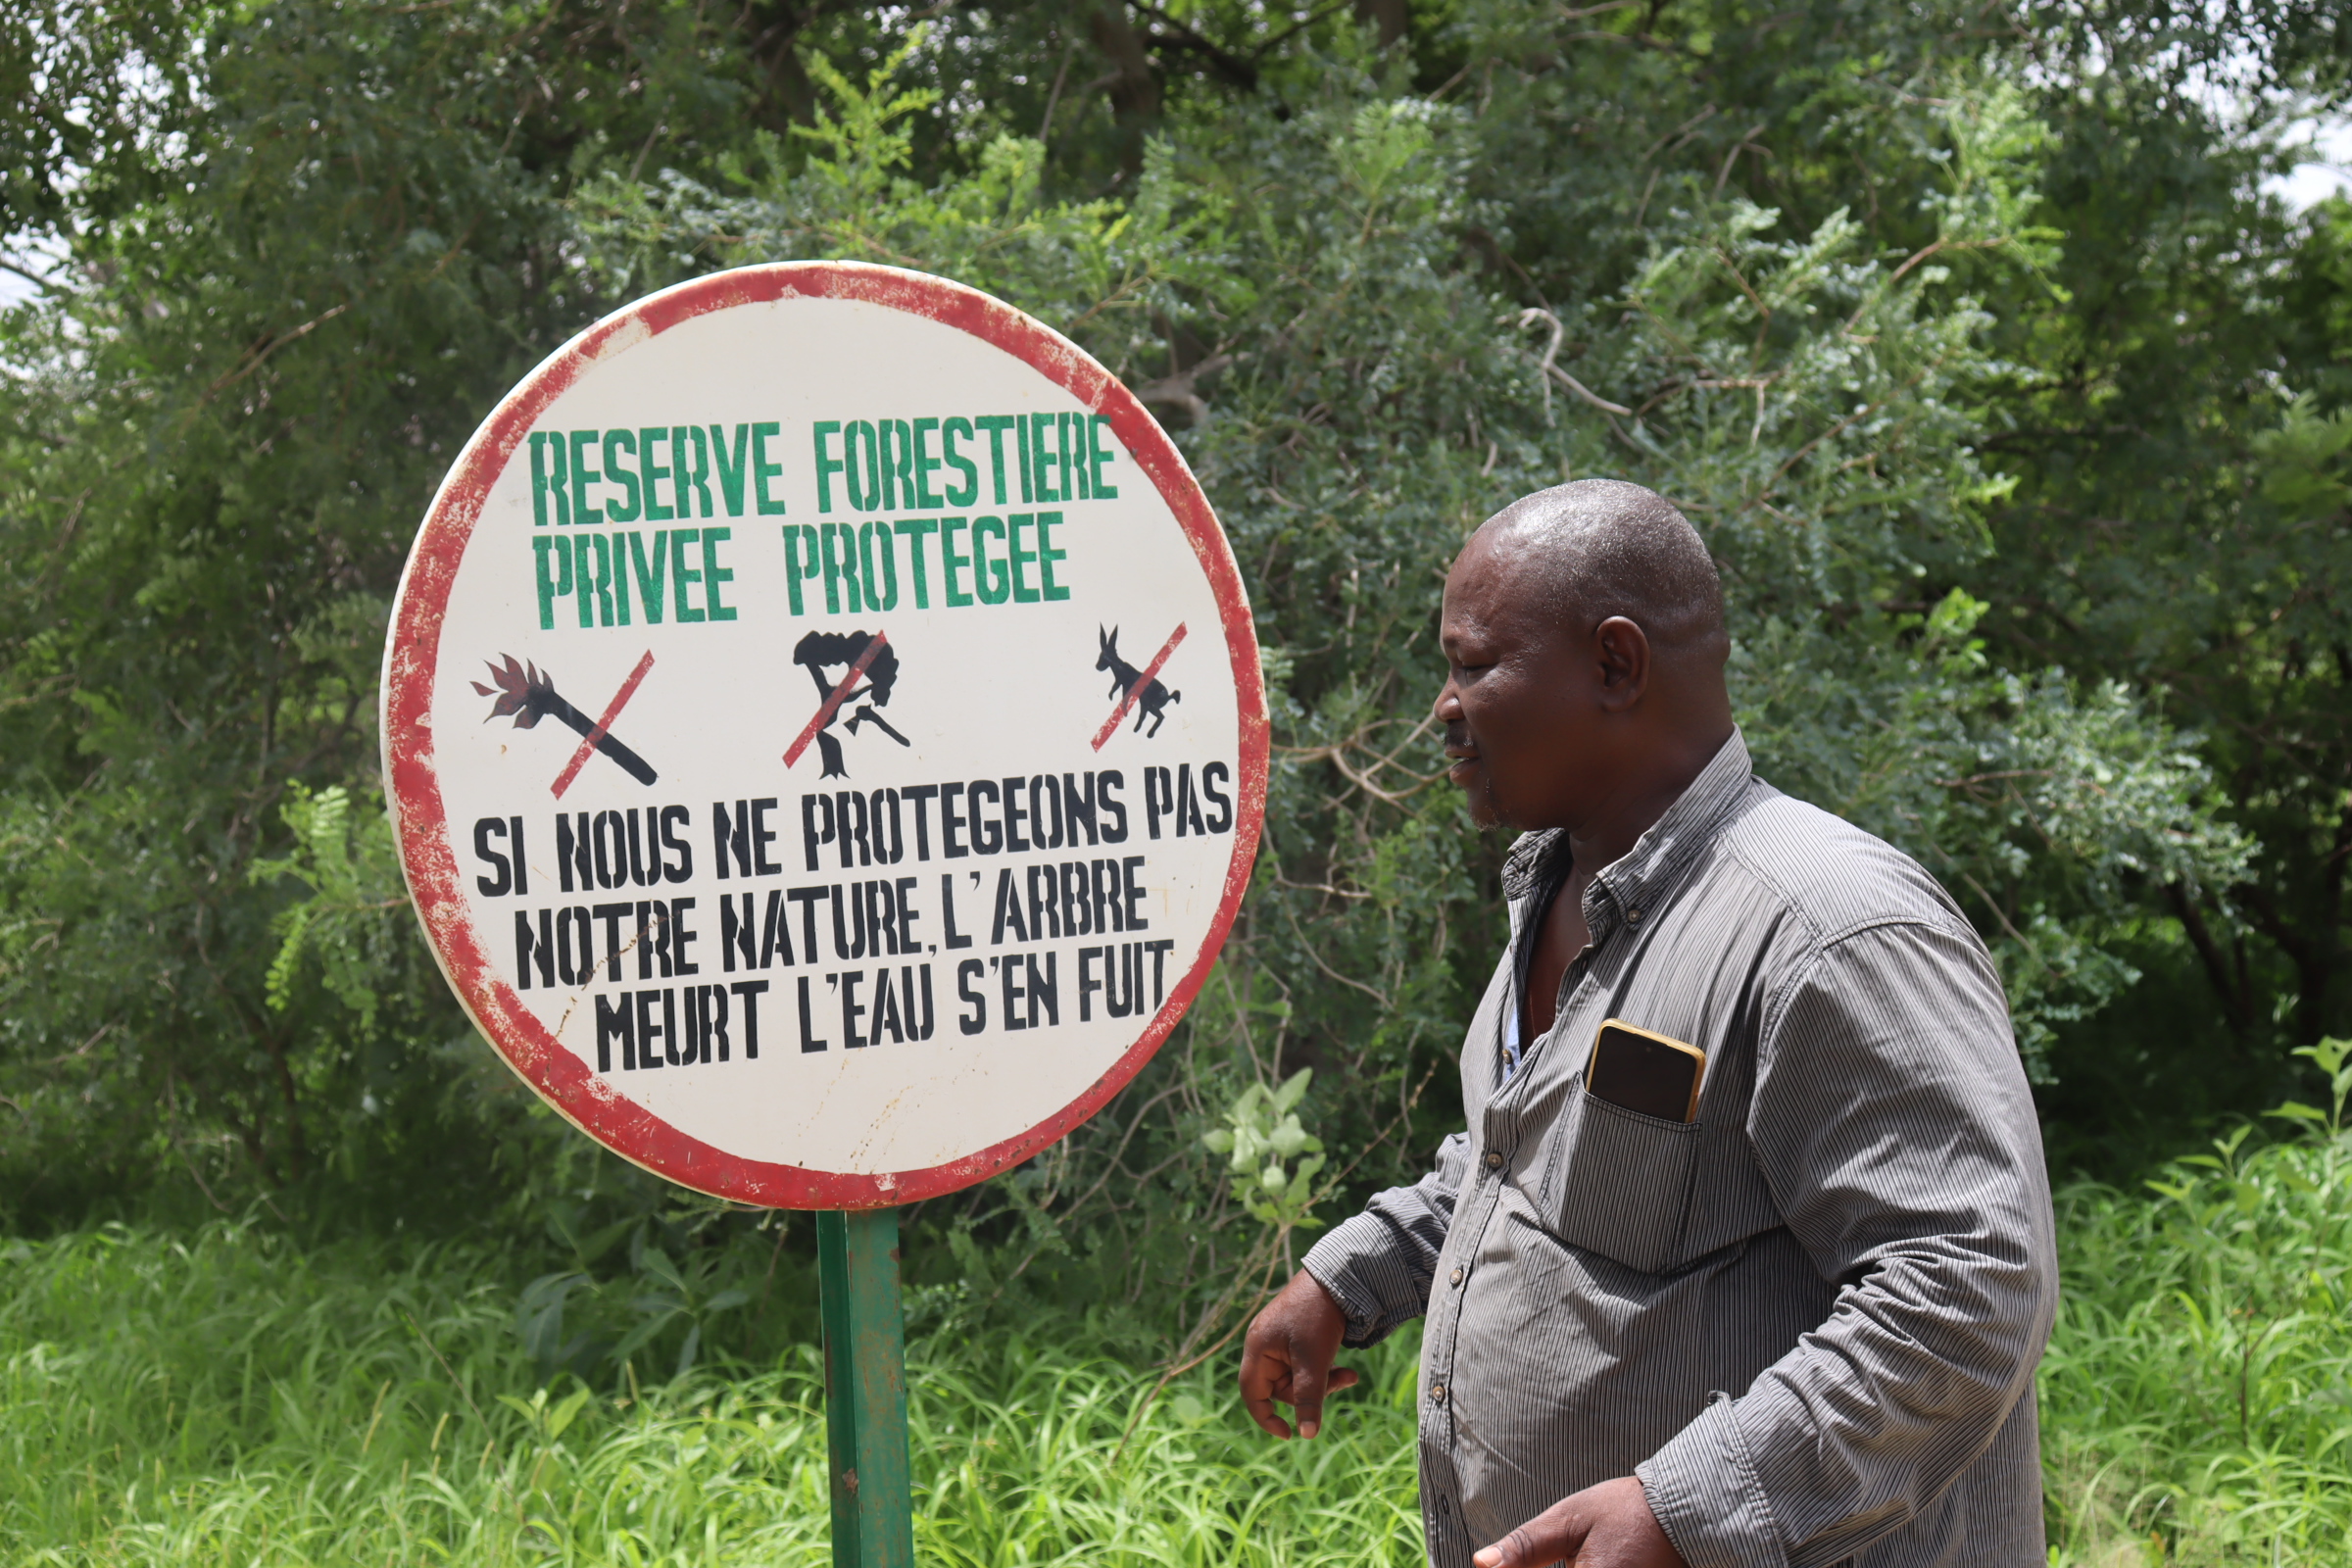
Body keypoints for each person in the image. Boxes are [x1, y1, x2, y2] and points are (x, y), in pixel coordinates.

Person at [1237, 480, 2058, 1567]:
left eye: (1475, 663)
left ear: (1617, 665)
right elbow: (1521, 1163)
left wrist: (1687, 1509)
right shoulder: (1561, 890)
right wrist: (1352, 1275)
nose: (1444, 705)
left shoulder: (1829, 928)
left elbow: (1969, 1289)